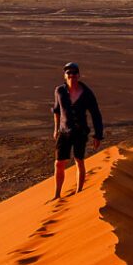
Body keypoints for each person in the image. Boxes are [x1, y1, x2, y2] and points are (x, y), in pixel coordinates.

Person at [51, 62, 103, 199]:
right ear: (65, 75)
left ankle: (79, 193)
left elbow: (96, 114)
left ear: (79, 75)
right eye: (69, 73)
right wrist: (56, 129)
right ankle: (57, 195)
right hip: (64, 132)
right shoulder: (59, 91)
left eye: (74, 73)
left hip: (80, 132)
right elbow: (56, 111)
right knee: (59, 163)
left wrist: (98, 135)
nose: (71, 75)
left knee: (79, 161)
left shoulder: (87, 93)